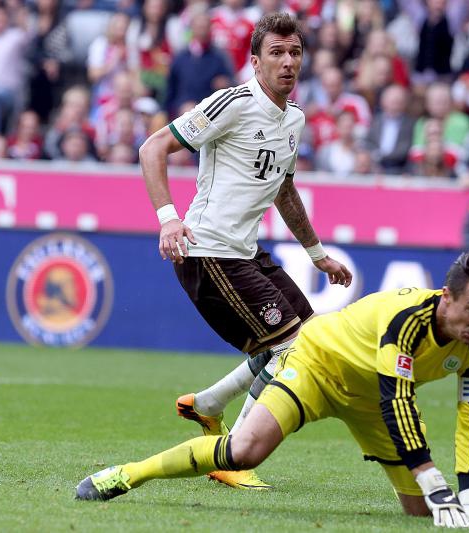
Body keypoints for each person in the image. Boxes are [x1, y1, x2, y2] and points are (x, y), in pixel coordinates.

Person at [76, 252, 469, 530]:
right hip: (316, 366)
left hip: (368, 402)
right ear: (447, 297)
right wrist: (431, 477)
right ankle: (129, 474)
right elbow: (398, 399)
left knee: (423, 513)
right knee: (244, 452)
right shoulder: (407, 319)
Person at [136, 12, 352, 491]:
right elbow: (151, 148)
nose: (287, 61)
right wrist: (168, 217)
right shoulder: (232, 103)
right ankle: (230, 456)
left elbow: (284, 191)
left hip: (245, 252)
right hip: (207, 252)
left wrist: (318, 255)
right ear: (256, 63)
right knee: (291, 349)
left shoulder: (293, 118)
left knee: (311, 338)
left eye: (294, 52)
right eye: (276, 53)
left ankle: (208, 404)